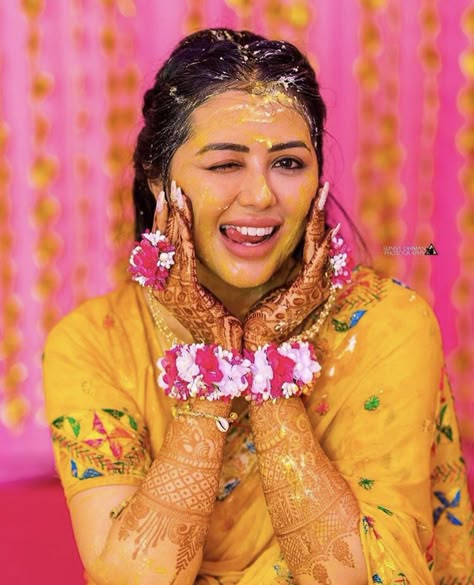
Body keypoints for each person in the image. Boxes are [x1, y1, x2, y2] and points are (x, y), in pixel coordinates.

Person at [43, 28, 473, 585]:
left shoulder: (386, 325)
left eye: (289, 164)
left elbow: (361, 578)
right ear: (158, 180)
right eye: (225, 164)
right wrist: (215, 368)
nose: (262, 196)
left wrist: (269, 360)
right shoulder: (95, 341)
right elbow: (139, 577)